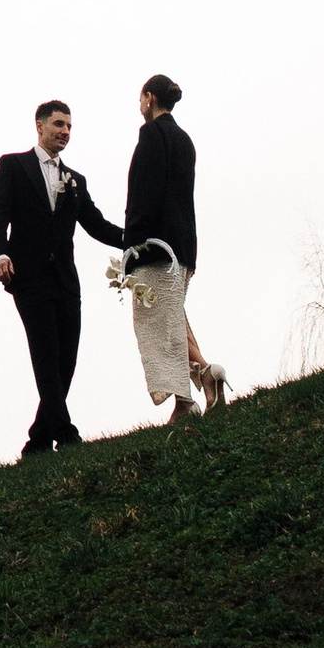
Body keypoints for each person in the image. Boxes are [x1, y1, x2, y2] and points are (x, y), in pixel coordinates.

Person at [0, 98, 122, 456]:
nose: (65, 131)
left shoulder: (75, 180)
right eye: (59, 124)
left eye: (69, 127)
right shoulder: (13, 166)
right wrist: (0, 253)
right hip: (29, 278)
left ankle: (37, 439)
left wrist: (137, 239)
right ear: (40, 126)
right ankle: (65, 432)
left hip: (66, 280)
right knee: (46, 353)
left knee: (67, 359)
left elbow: (96, 225)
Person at [119, 73, 206, 421]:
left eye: (141, 99)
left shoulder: (152, 136)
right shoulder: (184, 140)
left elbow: (145, 193)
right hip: (184, 246)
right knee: (172, 319)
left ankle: (185, 401)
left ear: (149, 98)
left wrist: (132, 243)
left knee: (157, 327)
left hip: (155, 249)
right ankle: (206, 374)